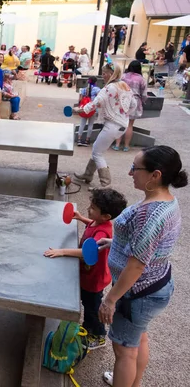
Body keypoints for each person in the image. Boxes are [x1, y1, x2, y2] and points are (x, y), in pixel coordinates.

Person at [98, 146, 187, 387]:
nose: (130, 173)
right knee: (138, 338)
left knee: (124, 352)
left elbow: (137, 265)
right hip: (156, 285)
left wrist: (110, 300)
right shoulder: (166, 201)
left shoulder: (150, 214)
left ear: (155, 175)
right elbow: (145, 246)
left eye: (135, 168)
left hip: (138, 293)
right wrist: (115, 243)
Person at [45, 188, 127, 350]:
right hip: (87, 275)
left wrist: (61, 252)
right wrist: (81, 218)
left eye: (93, 208)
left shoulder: (104, 230)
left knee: (92, 309)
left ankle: (98, 336)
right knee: (84, 302)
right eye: (90, 205)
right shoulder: (98, 222)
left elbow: (86, 253)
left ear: (106, 217)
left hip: (93, 280)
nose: (89, 209)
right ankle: (87, 328)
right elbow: (92, 224)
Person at [74, 63, 137, 188]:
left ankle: (105, 184)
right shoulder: (125, 86)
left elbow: (95, 103)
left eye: (104, 73)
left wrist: (79, 110)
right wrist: (124, 115)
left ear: (111, 74)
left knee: (98, 153)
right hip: (122, 125)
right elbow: (133, 104)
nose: (103, 76)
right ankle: (88, 175)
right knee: (97, 149)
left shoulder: (109, 88)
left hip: (112, 125)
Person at [113, 61, 147, 152]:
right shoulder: (141, 79)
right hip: (134, 101)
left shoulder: (123, 76)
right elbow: (144, 94)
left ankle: (117, 145)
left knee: (120, 123)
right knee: (130, 125)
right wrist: (143, 101)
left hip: (122, 100)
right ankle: (126, 146)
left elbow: (117, 88)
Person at [76, 76, 101, 146]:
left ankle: (79, 139)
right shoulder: (97, 89)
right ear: (96, 82)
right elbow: (100, 98)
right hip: (93, 109)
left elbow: (80, 100)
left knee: (82, 124)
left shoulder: (83, 89)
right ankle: (87, 140)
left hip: (84, 108)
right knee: (90, 125)